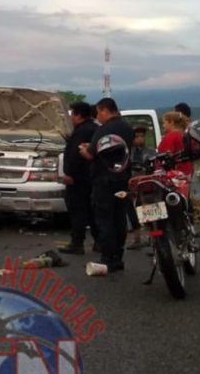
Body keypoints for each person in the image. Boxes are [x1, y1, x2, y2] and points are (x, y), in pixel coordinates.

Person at [78, 98, 135, 272]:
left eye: (98, 113)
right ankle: (118, 256)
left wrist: (83, 149)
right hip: (122, 178)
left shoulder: (104, 129)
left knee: (104, 220)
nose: (97, 117)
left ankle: (108, 257)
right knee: (119, 218)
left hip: (104, 180)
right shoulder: (127, 128)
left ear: (104, 110)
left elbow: (91, 154)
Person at [59, 102, 99, 255]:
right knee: (92, 210)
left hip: (79, 178)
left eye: (72, 114)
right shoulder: (94, 128)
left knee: (77, 210)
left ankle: (77, 243)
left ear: (78, 115)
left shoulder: (81, 131)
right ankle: (99, 242)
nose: (70, 117)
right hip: (91, 177)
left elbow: (76, 155)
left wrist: (69, 173)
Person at [124, 127, 150, 250]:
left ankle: (154, 239)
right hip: (132, 185)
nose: (140, 139)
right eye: (137, 136)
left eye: (142, 136)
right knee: (132, 212)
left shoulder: (151, 152)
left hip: (147, 185)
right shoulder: (128, 153)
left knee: (149, 211)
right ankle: (137, 238)